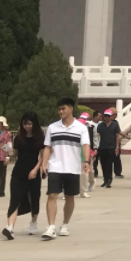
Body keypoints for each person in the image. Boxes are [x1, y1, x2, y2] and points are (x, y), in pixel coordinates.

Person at [39, 98, 91, 240]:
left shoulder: (81, 128)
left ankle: (65, 224)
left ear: (71, 109)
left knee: (69, 197)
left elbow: (85, 145)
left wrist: (87, 161)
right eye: (59, 109)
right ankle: (51, 227)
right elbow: (47, 147)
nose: (60, 111)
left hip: (72, 168)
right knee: (52, 195)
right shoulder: (52, 127)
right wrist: (44, 164)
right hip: (55, 166)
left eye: (63, 109)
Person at [3, 112, 44, 238]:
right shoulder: (19, 138)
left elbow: (42, 157)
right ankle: (10, 227)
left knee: (34, 199)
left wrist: (35, 170)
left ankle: (33, 222)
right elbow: (15, 153)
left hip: (33, 173)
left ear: (34, 124)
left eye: (30, 124)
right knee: (15, 199)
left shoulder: (40, 138)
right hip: (18, 172)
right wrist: (8, 153)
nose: (27, 126)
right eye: (25, 124)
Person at [95, 108, 120, 188]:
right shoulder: (100, 125)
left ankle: (109, 180)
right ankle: (105, 179)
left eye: (108, 116)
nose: (107, 117)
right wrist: (96, 146)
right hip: (102, 147)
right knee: (103, 164)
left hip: (111, 147)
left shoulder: (115, 125)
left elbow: (117, 136)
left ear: (111, 116)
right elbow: (97, 136)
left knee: (109, 164)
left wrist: (117, 147)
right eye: (105, 116)